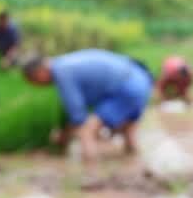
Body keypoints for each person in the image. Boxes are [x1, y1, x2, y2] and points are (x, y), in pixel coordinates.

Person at [21, 49, 154, 161]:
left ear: (39, 73)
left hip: (126, 88)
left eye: (34, 81)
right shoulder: (65, 63)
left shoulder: (61, 71)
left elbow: (78, 116)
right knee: (129, 135)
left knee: (86, 131)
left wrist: (63, 137)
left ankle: (91, 173)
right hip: (140, 80)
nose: (38, 86)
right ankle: (135, 163)